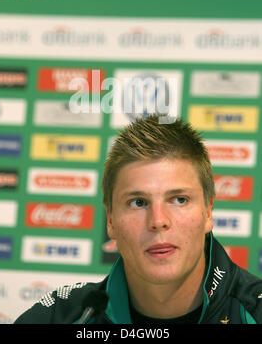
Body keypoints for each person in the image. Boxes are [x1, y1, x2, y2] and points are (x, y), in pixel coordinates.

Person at [15, 115, 262, 324]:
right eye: (138, 203)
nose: (158, 220)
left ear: (208, 212)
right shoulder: (60, 317)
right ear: (110, 220)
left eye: (179, 199)